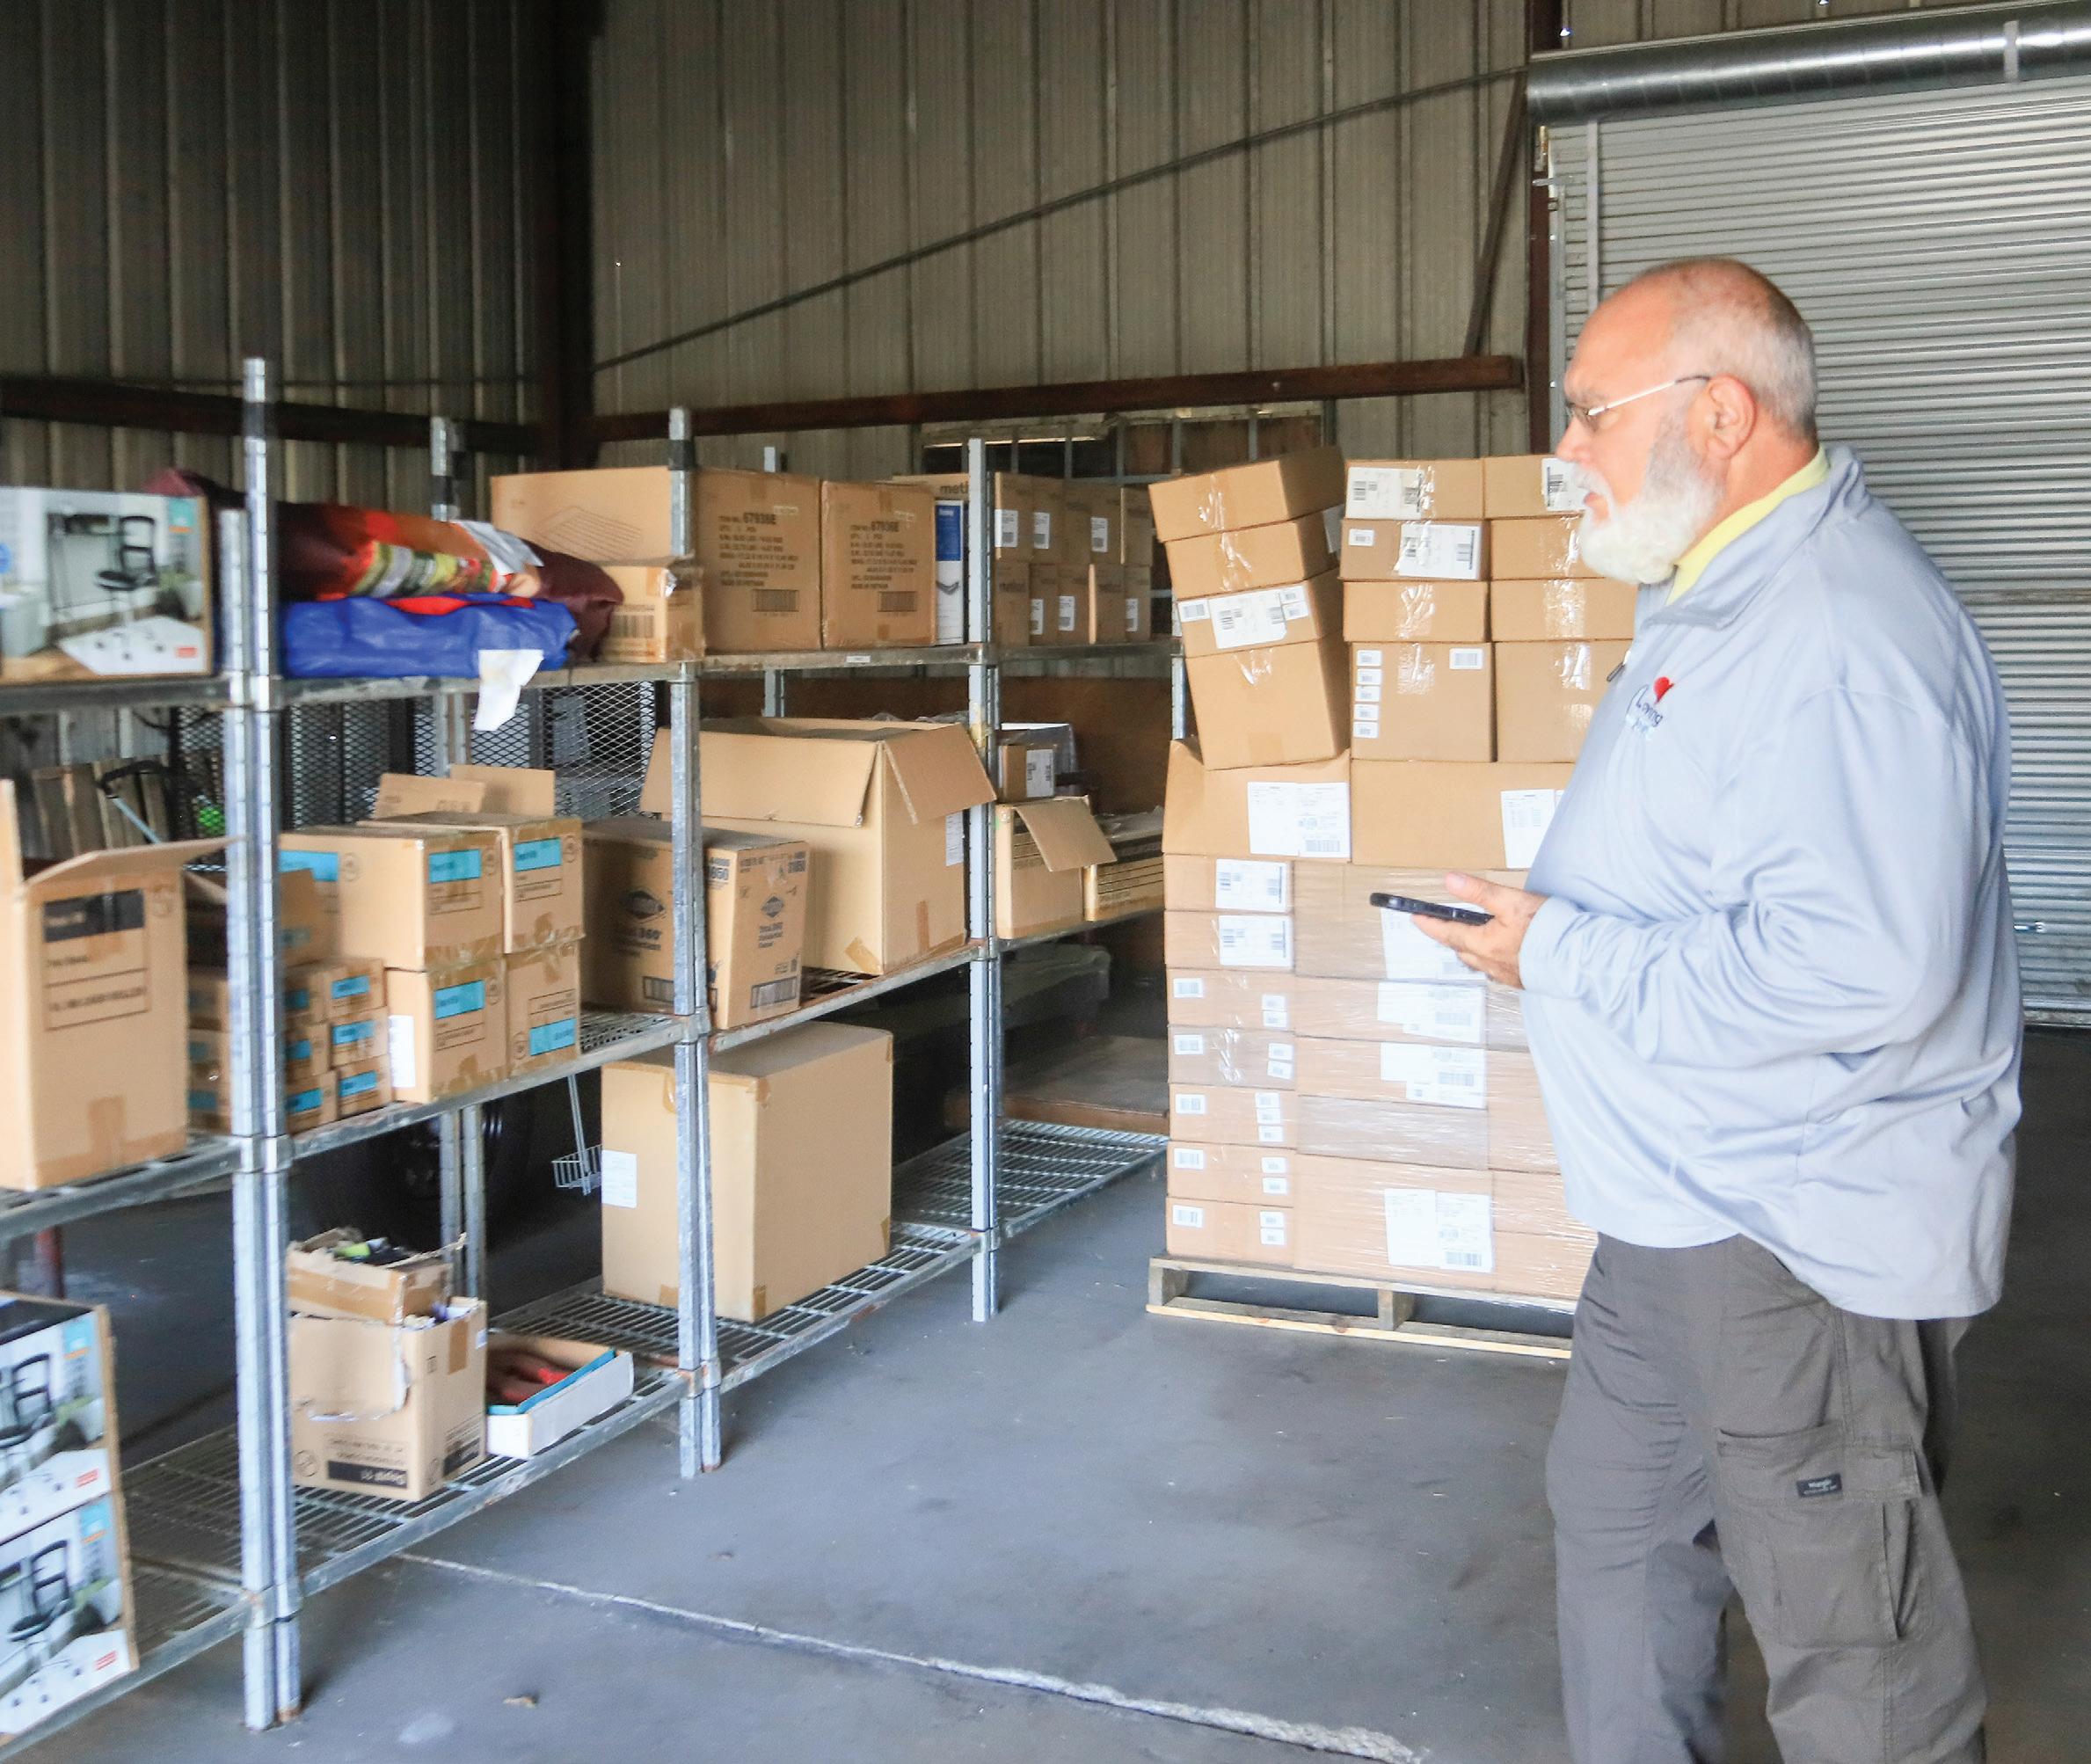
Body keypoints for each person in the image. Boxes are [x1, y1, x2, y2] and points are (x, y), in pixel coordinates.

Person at [1415, 257, 2021, 1763]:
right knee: (1619, 1531)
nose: (1565, 450)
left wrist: (1558, 955)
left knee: (1850, 1637)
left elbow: (1858, 970)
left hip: (1792, 1234)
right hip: (1674, 1211)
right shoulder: (1723, 588)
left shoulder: (1835, 633)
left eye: (1590, 413)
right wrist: (1558, 923)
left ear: (1721, 411)